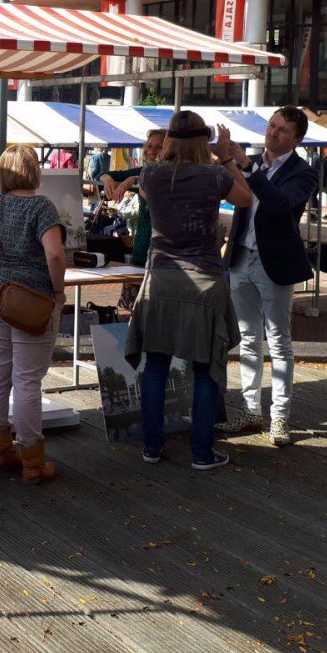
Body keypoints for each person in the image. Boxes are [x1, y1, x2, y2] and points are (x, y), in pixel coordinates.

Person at [126, 111, 252, 470]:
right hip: (204, 281)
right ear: (202, 141)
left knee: (155, 366)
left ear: (168, 140)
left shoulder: (151, 175)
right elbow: (245, 198)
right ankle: (201, 452)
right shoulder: (214, 176)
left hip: (160, 278)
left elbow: (149, 193)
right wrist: (225, 157)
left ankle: (152, 447)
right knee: (205, 367)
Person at [0, 144, 67, 484]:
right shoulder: (42, 207)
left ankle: (1, 451)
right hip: (31, 300)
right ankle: (33, 462)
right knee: (27, 380)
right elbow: (55, 255)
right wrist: (58, 290)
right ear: (34, 171)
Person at [219, 106, 317, 446]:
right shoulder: (251, 162)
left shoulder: (303, 173)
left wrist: (246, 167)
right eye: (272, 125)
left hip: (274, 263)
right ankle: (250, 411)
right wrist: (228, 161)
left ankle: (280, 417)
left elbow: (278, 204)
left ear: (297, 139)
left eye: (282, 130)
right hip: (241, 257)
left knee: (278, 341)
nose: (273, 133)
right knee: (247, 338)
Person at [99, 128, 167, 269]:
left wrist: (134, 180)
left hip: (163, 255)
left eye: (158, 147)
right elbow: (103, 173)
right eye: (150, 146)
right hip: (141, 250)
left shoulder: (174, 175)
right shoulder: (142, 171)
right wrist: (108, 180)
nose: (152, 151)